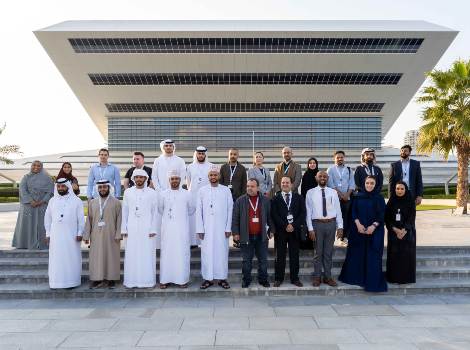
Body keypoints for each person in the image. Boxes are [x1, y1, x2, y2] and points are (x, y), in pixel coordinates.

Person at [338, 176, 387, 292]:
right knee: (357, 255)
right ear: (364, 184)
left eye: (372, 183)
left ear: (376, 184)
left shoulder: (379, 198)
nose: (369, 185)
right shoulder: (357, 197)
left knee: (372, 256)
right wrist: (358, 224)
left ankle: (371, 281)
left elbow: (382, 214)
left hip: (374, 232)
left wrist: (373, 226)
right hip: (358, 231)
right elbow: (353, 212)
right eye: (367, 183)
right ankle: (357, 278)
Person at [196, 165, 233, 290]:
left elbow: (230, 209)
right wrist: (200, 229)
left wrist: (228, 228)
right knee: (207, 253)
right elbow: (198, 211)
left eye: (215, 175)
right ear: (208, 177)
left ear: (219, 176)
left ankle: (222, 278)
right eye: (211, 175)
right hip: (206, 229)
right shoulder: (202, 191)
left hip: (222, 229)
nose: (213, 177)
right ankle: (208, 279)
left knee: (222, 253)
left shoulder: (226, 190)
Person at [232, 178, 274, 288]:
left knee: (263, 260)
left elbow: (270, 217)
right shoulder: (240, 200)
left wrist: (271, 230)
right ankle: (246, 280)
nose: (249, 188)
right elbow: (235, 218)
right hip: (246, 236)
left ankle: (263, 279)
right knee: (246, 261)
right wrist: (235, 232)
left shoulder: (265, 200)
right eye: (248, 186)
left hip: (262, 236)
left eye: (252, 186)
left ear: (258, 187)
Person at [44, 178, 85, 289]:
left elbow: (81, 218)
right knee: (56, 258)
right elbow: (47, 218)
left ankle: (72, 281)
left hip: (71, 235)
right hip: (56, 235)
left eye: (63, 186)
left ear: (68, 187)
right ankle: (56, 282)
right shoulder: (52, 201)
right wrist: (48, 233)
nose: (61, 188)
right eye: (59, 186)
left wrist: (80, 232)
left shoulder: (76, 200)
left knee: (71, 257)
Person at [121, 169, 158, 288]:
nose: (139, 179)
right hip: (131, 227)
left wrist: (153, 229)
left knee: (147, 254)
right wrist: (124, 229)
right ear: (133, 179)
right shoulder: (128, 192)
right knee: (132, 254)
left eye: (141, 177)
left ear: (146, 179)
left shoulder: (152, 193)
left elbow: (155, 212)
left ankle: (147, 281)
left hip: (147, 228)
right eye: (136, 177)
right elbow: (125, 211)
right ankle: (131, 281)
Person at [158, 169, 195, 289]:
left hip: (181, 229)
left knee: (181, 253)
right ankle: (165, 279)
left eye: (177, 179)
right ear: (169, 180)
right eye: (172, 179)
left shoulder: (187, 194)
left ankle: (182, 279)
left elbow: (191, 209)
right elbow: (160, 209)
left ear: (180, 180)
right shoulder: (163, 194)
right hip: (167, 229)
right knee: (167, 253)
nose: (174, 181)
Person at [306, 171, 343, 287]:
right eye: (320, 176)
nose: (322, 178)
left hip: (331, 224)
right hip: (317, 224)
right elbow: (308, 212)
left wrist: (340, 226)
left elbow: (338, 210)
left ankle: (327, 277)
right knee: (318, 253)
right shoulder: (310, 192)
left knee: (328, 252)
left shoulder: (333, 192)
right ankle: (317, 277)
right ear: (316, 178)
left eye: (325, 176)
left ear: (328, 178)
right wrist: (310, 228)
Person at [83, 179, 122, 289]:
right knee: (96, 257)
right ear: (97, 189)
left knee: (111, 256)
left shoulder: (116, 202)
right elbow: (89, 220)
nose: (102, 189)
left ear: (109, 188)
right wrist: (86, 235)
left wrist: (118, 234)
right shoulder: (93, 203)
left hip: (111, 235)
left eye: (105, 187)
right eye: (100, 187)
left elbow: (120, 220)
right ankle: (96, 279)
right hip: (96, 235)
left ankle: (111, 279)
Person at [271, 176, 306, 287]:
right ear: (280, 184)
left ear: (291, 184)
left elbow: (302, 213)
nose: (285, 184)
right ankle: (278, 278)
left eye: (287, 182)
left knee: (294, 255)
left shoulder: (299, 198)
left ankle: (295, 278)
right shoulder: (275, 198)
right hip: (281, 231)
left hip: (294, 231)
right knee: (279, 255)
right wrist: (285, 225)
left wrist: (293, 225)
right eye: (283, 183)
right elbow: (274, 214)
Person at [12, 161, 54, 250]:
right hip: (28, 206)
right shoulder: (26, 177)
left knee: (43, 225)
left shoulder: (48, 178)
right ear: (31, 166)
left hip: (42, 206)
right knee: (27, 225)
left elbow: (50, 191)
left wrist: (42, 201)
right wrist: (31, 201)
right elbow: (22, 190)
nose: (36, 167)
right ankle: (25, 244)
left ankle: (43, 244)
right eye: (34, 165)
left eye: (39, 166)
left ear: (41, 167)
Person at [385, 181, 417, 284]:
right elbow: (387, 217)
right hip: (393, 232)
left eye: (402, 189)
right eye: (397, 188)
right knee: (394, 257)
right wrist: (395, 229)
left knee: (406, 256)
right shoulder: (391, 201)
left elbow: (412, 218)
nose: (399, 191)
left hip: (407, 233)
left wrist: (403, 230)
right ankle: (393, 278)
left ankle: (405, 278)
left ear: (405, 190)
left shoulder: (410, 201)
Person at [327, 151, 355, 245]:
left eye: (341, 157)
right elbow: (331, 184)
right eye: (338, 157)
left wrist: (347, 195)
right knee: (336, 217)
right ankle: (336, 236)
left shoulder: (348, 169)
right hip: (335, 198)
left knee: (346, 217)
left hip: (347, 199)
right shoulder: (330, 169)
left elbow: (352, 183)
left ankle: (345, 237)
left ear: (344, 158)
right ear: (334, 158)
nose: (340, 159)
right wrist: (341, 195)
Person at [187, 146, 213, 246]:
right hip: (193, 196)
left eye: (202, 154)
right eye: (199, 153)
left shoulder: (211, 166)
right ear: (196, 154)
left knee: (205, 217)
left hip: (206, 196)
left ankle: (205, 241)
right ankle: (193, 242)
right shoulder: (190, 167)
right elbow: (188, 183)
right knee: (193, 219)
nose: (201, 155)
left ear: (205, 155)